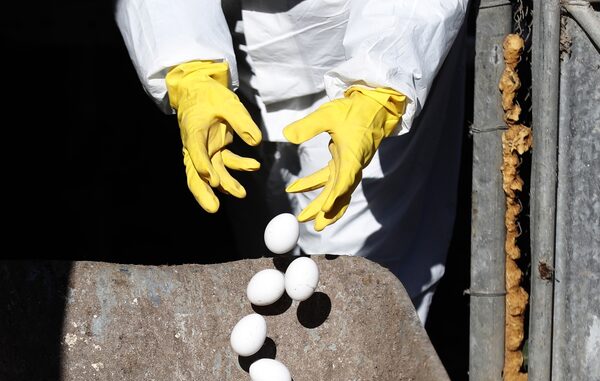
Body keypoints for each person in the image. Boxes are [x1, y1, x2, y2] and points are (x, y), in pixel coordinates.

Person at [115, 0, 468, 323]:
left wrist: (382, 85)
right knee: (264, 242)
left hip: (372, 52)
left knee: (358, 272)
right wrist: (188, 65)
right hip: (234, 68)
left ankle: (363, 370)